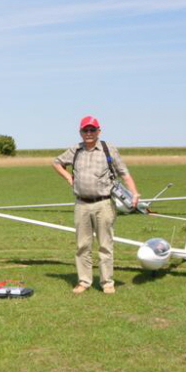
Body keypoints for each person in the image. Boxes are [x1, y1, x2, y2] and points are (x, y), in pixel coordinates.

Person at [52, 116, 139, 295]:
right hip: (81, 204)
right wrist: (68, 177)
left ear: (99, 131)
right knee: (82, 245)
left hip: (104, 204)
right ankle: (84, 281)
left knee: (105, 245)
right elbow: (56, 163)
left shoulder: (108, 149)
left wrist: (134, 193)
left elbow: (124, 173)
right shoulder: (75, 150)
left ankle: (107, 282)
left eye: (92, 130)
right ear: (80, 132)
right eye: (85, 130)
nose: (89, 133)